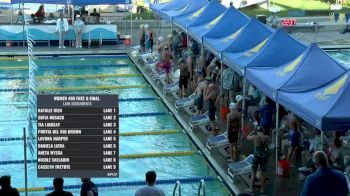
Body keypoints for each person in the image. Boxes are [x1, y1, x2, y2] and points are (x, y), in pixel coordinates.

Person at [247, 127, 270, 193]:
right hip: (264, 156)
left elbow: (248, 137)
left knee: (253, 173)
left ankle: (251, 189)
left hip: (256, 156)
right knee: (263, 175)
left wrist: (253, 131)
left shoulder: (255, 136)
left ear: (257, 131)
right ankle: (262, 190)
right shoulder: (267, 137)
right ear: (263, 131)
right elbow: (266, 147)